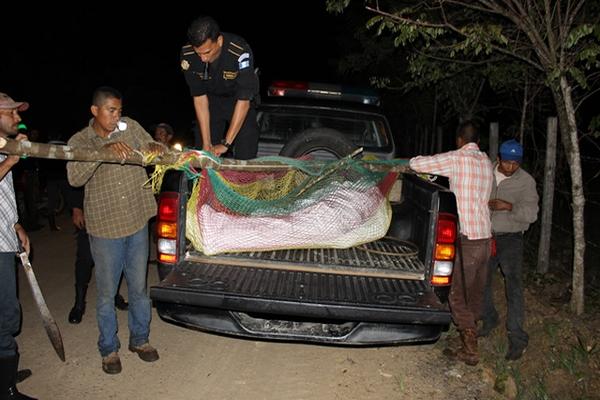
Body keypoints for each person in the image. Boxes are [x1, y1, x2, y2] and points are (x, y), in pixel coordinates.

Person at [67, 86, 163, 374]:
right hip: (105, 226)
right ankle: (108, 349)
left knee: (139, 289)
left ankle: (140, 340)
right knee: (107, 294)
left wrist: (156, 149)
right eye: (111, 110)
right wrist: (101, 151)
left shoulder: (129, 126)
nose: (117, 115)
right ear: (95, 110)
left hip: (136, 219)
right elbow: (74, 178)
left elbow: (150, 148)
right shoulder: (80, 140)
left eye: (119, 109)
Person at [409, 120, 493, 366]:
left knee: (455, 293)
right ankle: (469, 333)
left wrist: (410, 161)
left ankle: (470, 349)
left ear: (459, 140)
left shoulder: (458, 158)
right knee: (475, 293)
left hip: (466, 239)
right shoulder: (486, 162)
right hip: (485, 237)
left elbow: (418, 164)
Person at [480, 139, 538, 361]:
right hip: (486, 235)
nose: (511, 167)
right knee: (482, 279)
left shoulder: (526, 182)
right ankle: (489, 318)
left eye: (516, 163)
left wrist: (509, 206)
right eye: (507, 162)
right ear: (498, 159)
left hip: (511, 238)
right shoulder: (487, 173)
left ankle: (517, 338)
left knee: (513, 285)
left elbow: (531, 215)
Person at [181, 15, 260, 159]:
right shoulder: (188, 55)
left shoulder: (239, 51)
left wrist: (226, 144)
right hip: (210, 102)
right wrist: (206, 144)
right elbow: (199, 98)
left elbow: (244, 101)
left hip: (238, 101)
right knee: (203, 152)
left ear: (219, 41)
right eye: (198, 53)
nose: (203, 59)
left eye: (207, 52)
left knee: (247, 144)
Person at [0, 92, 36, 399]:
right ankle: (6, 389)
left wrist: (16, 225)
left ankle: (5, 374)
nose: (17, 118)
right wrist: (12, 159)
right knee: (6, 316)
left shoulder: (2, 149)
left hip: (4, 238)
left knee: (7, 315)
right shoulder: (5, 153)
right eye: (11, 113)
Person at [66, 185, 129, 324]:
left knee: (117, 256)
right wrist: (76, 208)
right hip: (90, 208)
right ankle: (79, 304)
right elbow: (73, 176)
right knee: (85, 258)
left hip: (114, 207)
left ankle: (114, 295)